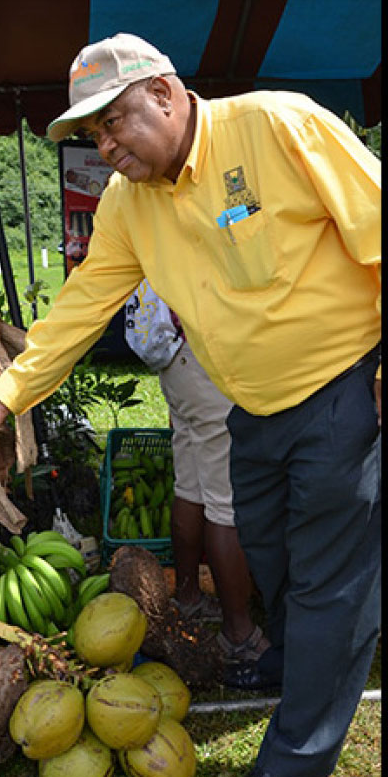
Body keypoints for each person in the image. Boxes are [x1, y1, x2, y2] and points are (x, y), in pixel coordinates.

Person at [0, 33, 381, 777]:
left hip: (339, 391)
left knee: (328, 581)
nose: (106, 146)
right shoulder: (127, 205)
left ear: (168, 95)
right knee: (271, 554)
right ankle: (297, 657)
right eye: (94, 135)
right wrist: (3, 397)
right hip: (252, 408)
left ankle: (297, 761)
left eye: (114, 123)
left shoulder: (278, 126)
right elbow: (78, 312)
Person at [124, 279, 271, 671]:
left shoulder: (155, 223)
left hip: (176, 361)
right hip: (203, 360)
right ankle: (239, 634)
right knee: (225, 504)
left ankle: (188, 597)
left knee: (190, 484)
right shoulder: (200, 221)